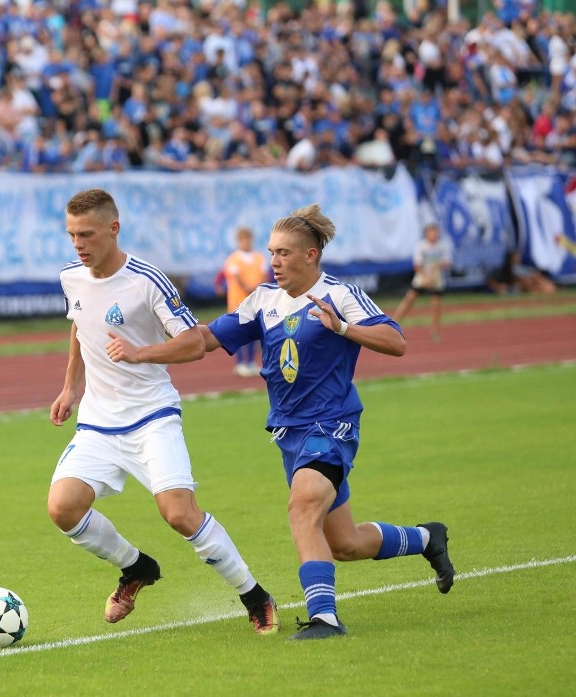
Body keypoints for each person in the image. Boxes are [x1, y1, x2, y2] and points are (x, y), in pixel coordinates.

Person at [105, 204, 455, 640]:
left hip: (332, 426)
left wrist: (342, 327)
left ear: (311, 255)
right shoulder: (262, 300)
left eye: (284, 253)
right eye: (272, 252)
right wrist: (142, 349)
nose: (274, 261)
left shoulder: (339, 295)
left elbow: (396, 341)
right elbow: (204, 340)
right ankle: (427, 538)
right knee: (344, 543)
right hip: (290, 435)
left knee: (302, 507)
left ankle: (324, 618)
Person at [48, 188, 279, 635]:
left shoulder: (146, 280)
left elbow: (195, 342)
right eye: (72, 234)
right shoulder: (70, 278)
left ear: (113, 229)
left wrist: (142, 354)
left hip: (152, 415)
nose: (78, 244)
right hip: (98, 421)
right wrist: (69, 387)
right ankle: (135, 568)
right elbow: (80, 326)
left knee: (179, 514)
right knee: (62, 508)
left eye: (87, 234)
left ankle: (254, 595)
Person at [216, 226, 267, 377]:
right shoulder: (234, 259)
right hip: (238, 302)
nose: (247, 242)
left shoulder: (259, 257)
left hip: (256, 303)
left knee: (254, 333)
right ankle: (239, 363)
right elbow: (236, 277)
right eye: (244, 239)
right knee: (238, 333)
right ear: (238, 241)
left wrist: (258, 288)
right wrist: (250, 288)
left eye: (249, 239)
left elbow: (265, 274)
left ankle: (250, 362)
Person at [392, 223, 453, 340]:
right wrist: (425, 278)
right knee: (409, 299)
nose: (434, 235)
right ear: (426, 234)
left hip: (436, 276)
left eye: (435, 233)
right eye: (431, 233)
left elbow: (448, 261)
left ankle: (435, 330)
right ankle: (393, 324)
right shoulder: (421, 246)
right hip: (422, 276)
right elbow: (417, 265)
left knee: (436, 304)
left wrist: (438, 266)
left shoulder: (443, 246)